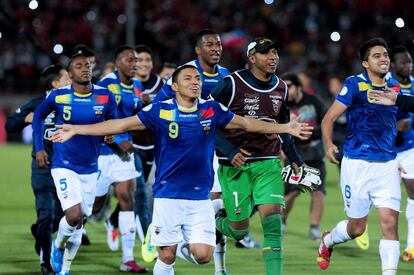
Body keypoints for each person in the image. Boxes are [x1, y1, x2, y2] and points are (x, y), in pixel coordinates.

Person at [51, 64, 313, 275]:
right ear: (174, 86)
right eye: (188, 78)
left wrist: (285, 128)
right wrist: (76, 129)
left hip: (199, 198)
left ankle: (178, 241)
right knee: (167, 255)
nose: (195, 81)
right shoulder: (161, 111)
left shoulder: (211, 109)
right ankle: (163, 247)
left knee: (203, 256)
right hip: (168, 196)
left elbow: (246, 123)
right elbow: (119, 125)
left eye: (197, 78)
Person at [211, 37, 314, 275]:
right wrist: (229, 150)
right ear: (252, 58)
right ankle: (213, 220)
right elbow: (206, 120)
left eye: (275, 52)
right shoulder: (230, 84)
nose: (273, 57)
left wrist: (295, 159)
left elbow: (286, 127)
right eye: (266, 53)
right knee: (239, 230)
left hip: (268, 163)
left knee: (272, 223)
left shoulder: (282, 87)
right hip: (234, 164)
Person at [318, 37, 401, 275]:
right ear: (365, 63)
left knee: (390, 223)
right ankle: (328, 241)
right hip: (357, 165)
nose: (384, 59)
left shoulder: (396, 86)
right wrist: (329, 144)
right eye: (377, 56)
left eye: (385, 55)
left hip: (386, 164)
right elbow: (328, 118)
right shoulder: (354, 85)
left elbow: (401, 120)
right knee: (356, 228)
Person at [32, 53, 118, 275]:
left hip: (90, 168)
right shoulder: (58, 97)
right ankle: (57, 246)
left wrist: (111, 136)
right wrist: (40, 148)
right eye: (79, 66)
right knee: (73, 216)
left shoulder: (105, 96)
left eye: (88, 65)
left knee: (78, 224)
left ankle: (65, 270)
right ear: (69, 75)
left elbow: (114, 123)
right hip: (64, 165)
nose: (85, 68)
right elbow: (38, 118)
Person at [5, 64, 70, 275]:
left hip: (68, 167)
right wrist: (26, 118)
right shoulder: (37, 104)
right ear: (55, 83)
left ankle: (43, 233)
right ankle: (46, 262)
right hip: (42, 167)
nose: (70, 81)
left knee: (68, 216)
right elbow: (10, 124)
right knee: (46, 214)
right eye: (66, 78)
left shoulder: (74, 103)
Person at [94, 45, 148, 273]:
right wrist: (116, 139)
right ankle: (74, 232)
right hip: (101, 153)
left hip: (124, 155)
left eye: (135, 59)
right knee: (92, 207)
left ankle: (127, 259)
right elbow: (96, 117)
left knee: (128, 198)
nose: (134, 63)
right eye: (129, 59)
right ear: (117, 63)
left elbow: (132, 118)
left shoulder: (137, 86)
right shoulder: (106, 84)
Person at [281, 72, 327, 240]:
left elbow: (326, 123)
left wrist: (311, 134)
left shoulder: (314, 101)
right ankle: (282, 221)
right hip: (293, 153)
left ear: (298, 86)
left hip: (314, 153)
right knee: (291, 192)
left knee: (318, 191)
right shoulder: (282, 105)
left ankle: (315, 227)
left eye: (289, 86)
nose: (287, 91)